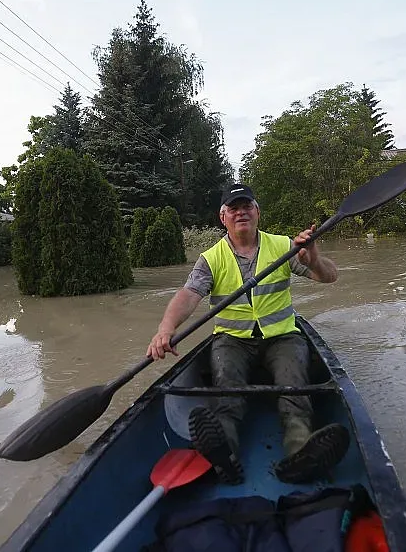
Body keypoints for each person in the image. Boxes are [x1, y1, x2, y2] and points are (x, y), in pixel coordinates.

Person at [147, 183, 351, 485]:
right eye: (234, 208)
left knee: (294, 389)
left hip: (282, 337)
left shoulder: (285, 246)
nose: (241, 211)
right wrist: (165, 329)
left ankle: (301, 453)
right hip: (232, 340)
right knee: (228, 393)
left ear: (257, 212)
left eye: (247, 206)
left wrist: (314, 260)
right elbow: (189, 295)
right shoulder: (211, 258)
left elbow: (330, 277)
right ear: (223, 217)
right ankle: (223, 454)